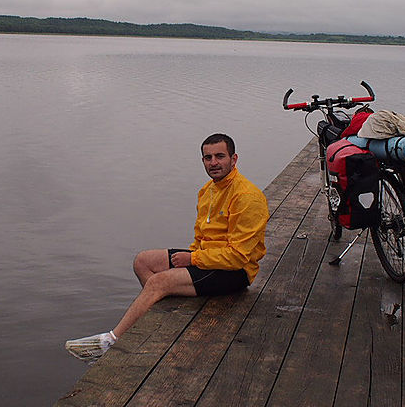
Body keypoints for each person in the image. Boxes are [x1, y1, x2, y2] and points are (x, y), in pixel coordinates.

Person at [65, 133, 269, 362]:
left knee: (159, 281)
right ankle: (158, 320)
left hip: (235, 273)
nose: (213, 163)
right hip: (208, 260)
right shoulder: (207, 191)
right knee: (143, 261)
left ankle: (109, 344)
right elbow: (201, 238)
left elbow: (239, 257)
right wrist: (192, 258)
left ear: (234, 159)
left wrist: (191, 261)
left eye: (220, 156)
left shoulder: (247, 197)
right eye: (207, 157)